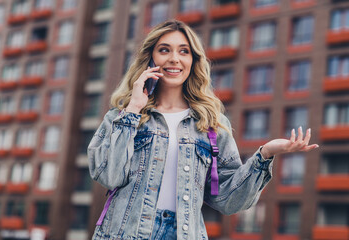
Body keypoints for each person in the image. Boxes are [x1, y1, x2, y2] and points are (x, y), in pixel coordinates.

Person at [87, 19, 319, 240]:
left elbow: (229, 200)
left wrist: (265, 154)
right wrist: (133, 110)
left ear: (193, 60)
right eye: (164, 50)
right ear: (150, 58)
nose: (174, 59)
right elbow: (108, 176)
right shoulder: (121, 117)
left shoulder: (212, 124)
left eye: (184, 51)